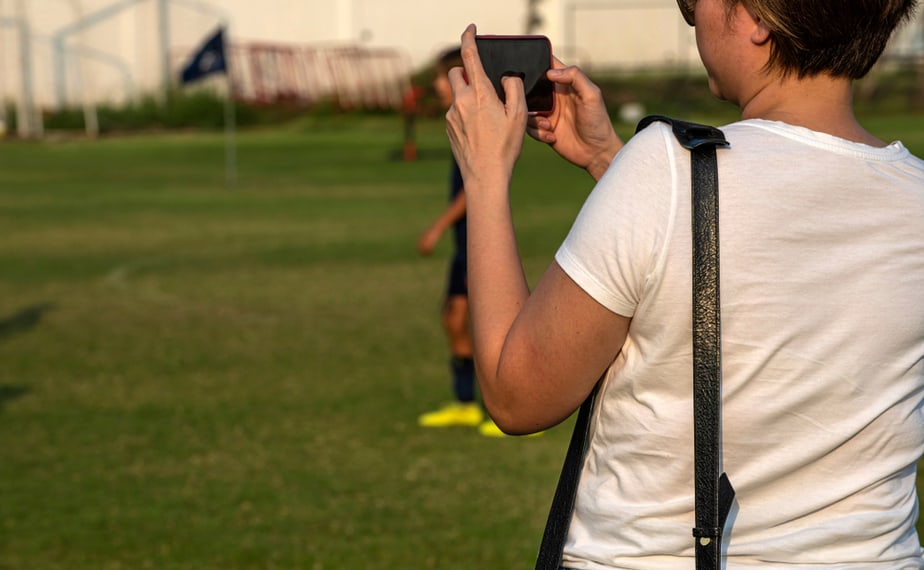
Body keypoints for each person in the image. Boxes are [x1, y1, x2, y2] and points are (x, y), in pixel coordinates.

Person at [445, 0, 924, 566]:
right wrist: (610, 163)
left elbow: (516, 393)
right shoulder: (912, 196)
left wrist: (484, 176)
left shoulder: (666, 169)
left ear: (757, 17)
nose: (692, 16)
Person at [416, 47, 508, 437]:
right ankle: (465, 403)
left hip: (482, 243)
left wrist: (436, 227)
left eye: (442, 78)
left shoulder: (479, 128)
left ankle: (507, 412)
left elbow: (474, 190)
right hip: (463, 246)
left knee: (489, 329)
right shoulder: (458, 123)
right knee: (454, 317)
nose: (437, 85)